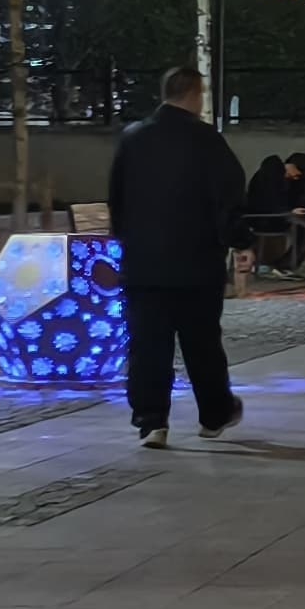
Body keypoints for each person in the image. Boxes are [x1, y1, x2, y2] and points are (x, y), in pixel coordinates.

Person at [107, 64, 248, 447]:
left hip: (143, 265)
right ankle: (214, 413)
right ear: (196, 94)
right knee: (202, 343)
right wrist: (236, 238)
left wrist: (128, 241)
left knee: (147, 345)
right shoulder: (207, 141)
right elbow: (229, 196)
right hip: (196, 264)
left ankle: (151, 420)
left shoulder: (133, 139)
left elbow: (116, 200)